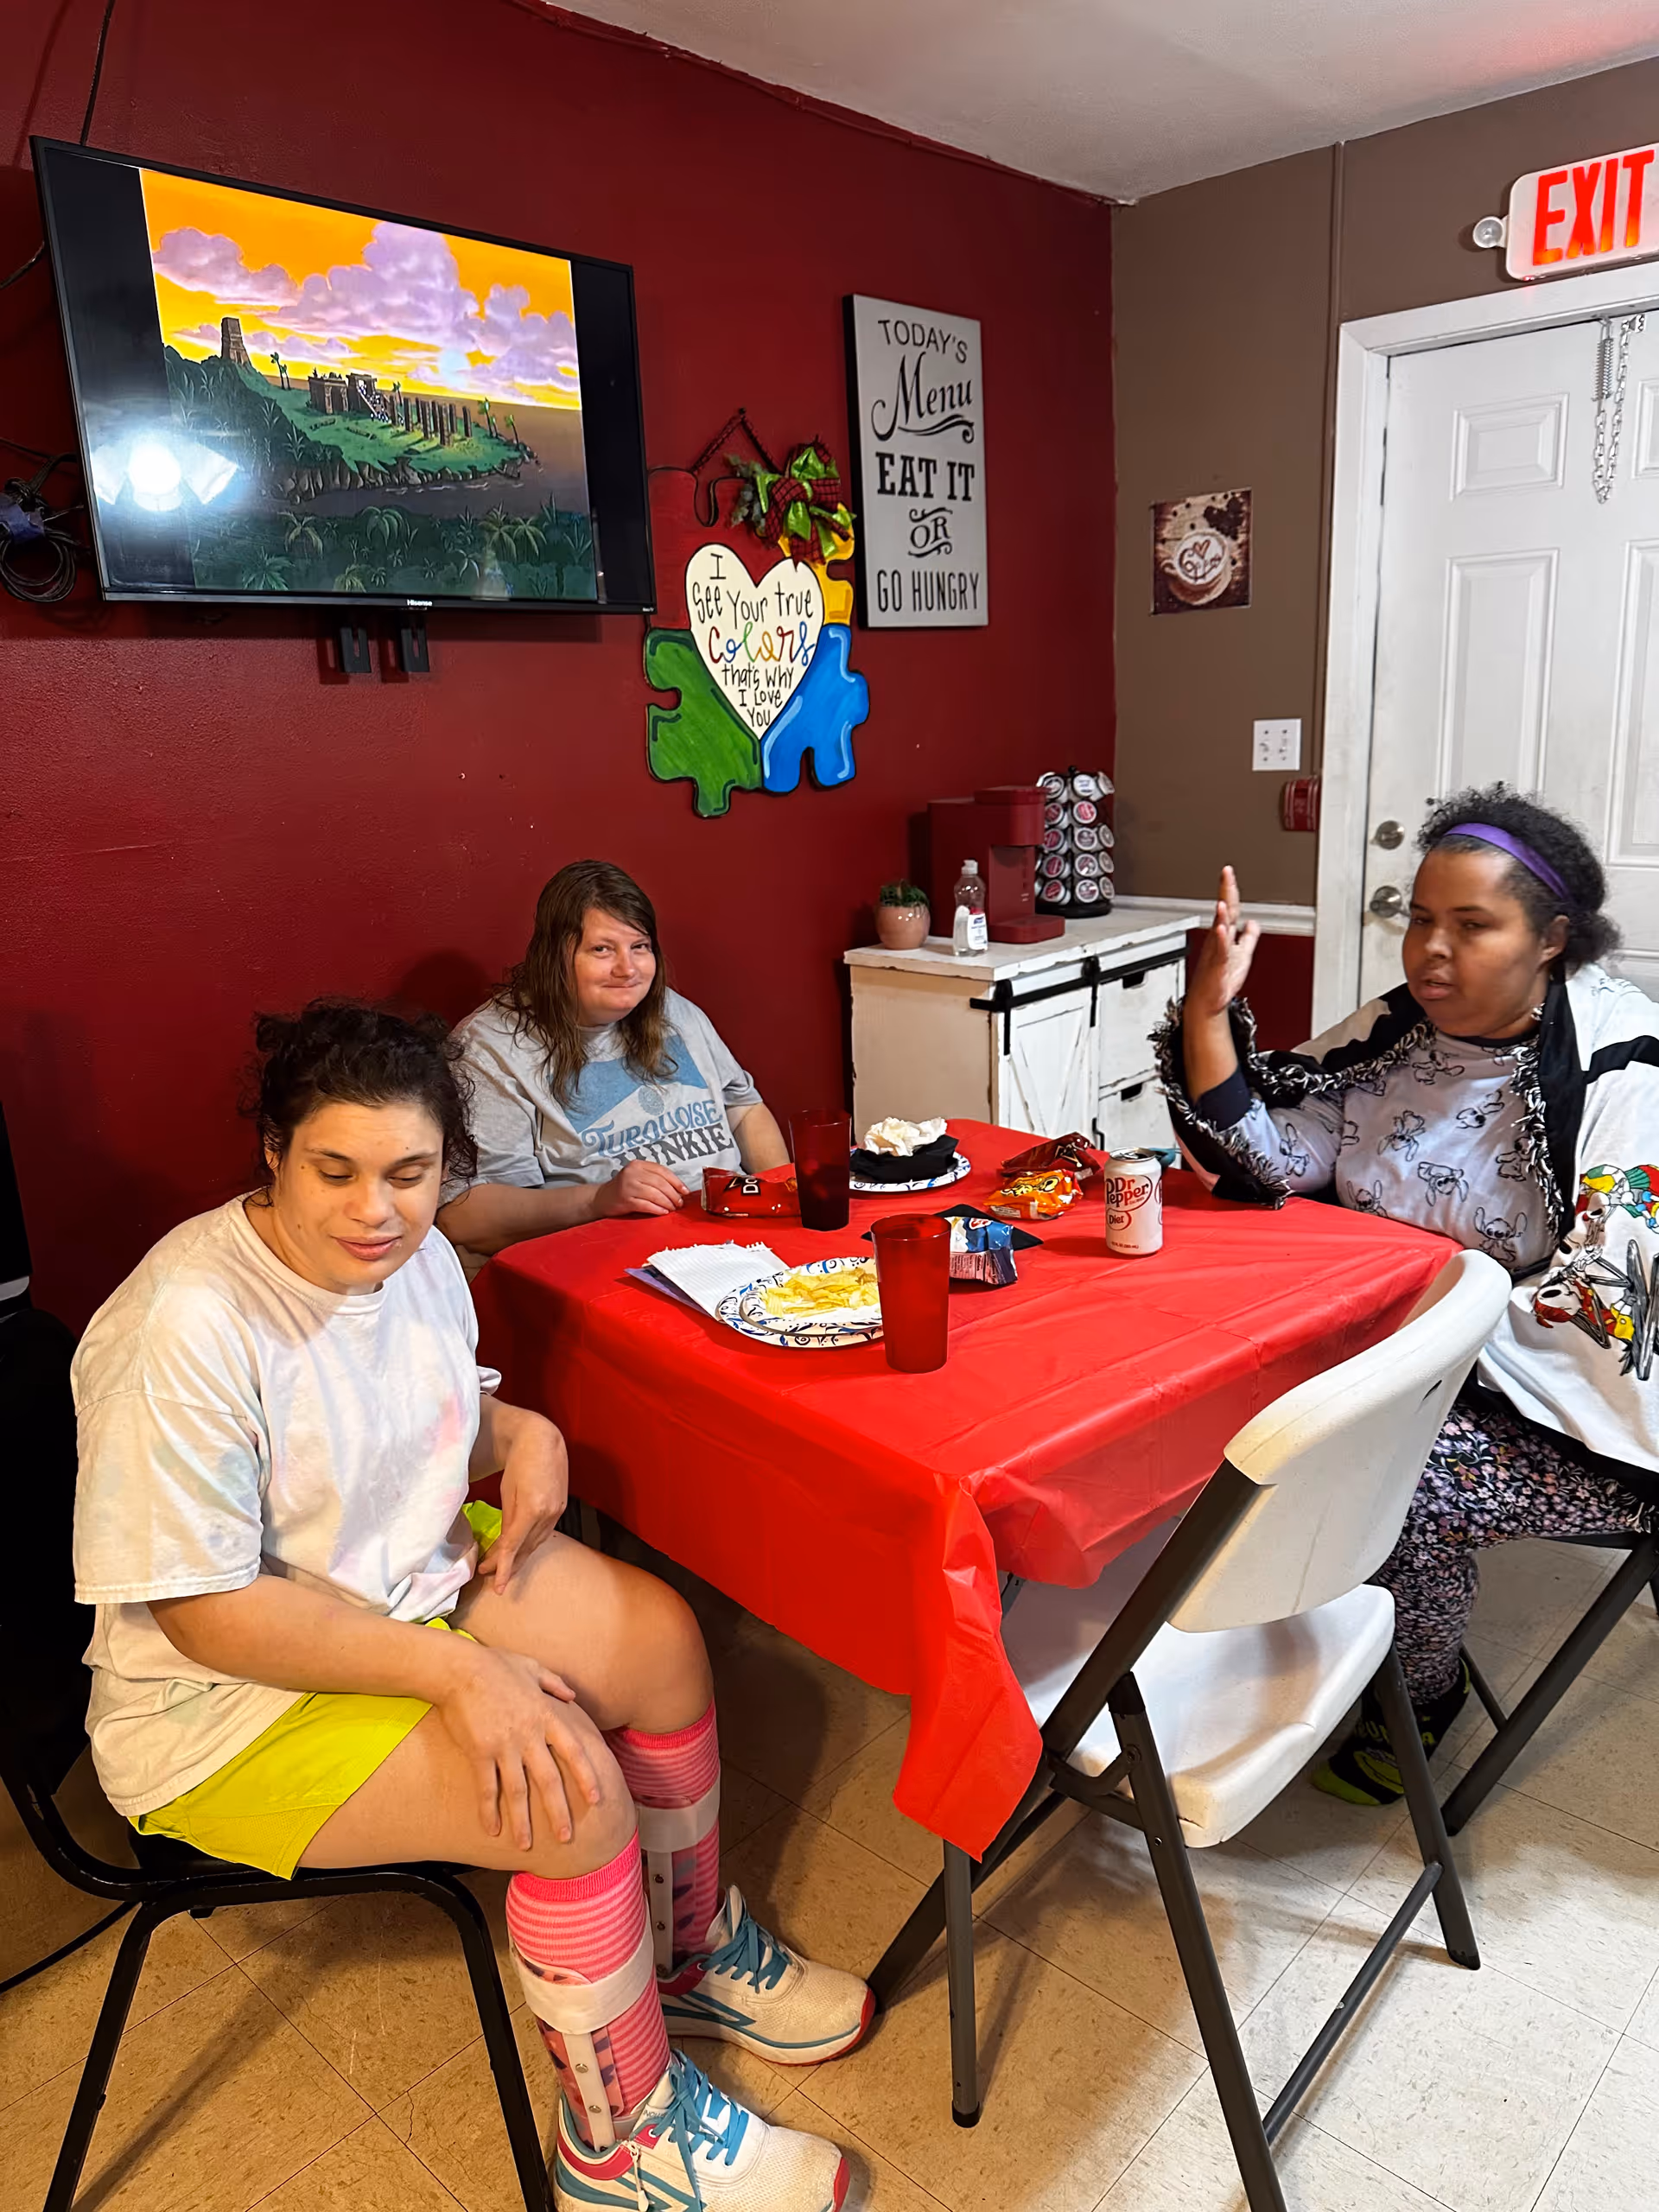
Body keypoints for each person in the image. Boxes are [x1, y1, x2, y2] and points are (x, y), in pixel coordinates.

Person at [72, 1001, 867, 2211]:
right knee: (571, 1790)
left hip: (408, 1580)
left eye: (409, 1173)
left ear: (448, 1165)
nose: (373, 1210)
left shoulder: (422, 1255)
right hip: (229, 1701)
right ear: (273, 1153)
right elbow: (203, 1613)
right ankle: (619, 2139)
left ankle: (683, 1946)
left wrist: (524, 1429)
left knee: (660, 1642)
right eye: (334, 1170)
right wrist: (460, 1675)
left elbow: (426, 1406)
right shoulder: (182, 1322)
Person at [1158, 785, 1658, 1805]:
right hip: (1412, 1359)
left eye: (1471, 925)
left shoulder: (1616, 1067)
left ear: (1553, 939)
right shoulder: (1396, 1030)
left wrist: (1402, 1345)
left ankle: (1417, 1697)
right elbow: (1274, 1158)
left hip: (1579, 1413)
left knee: (1394, 1480)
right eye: (1419, 917)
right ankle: (1259, 1635)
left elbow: (1609, 1310)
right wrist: (1209, 1014)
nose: (1429, 950)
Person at [439, 861, 788, 1260]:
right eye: (602, 949)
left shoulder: (671, 1009)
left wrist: (784, 1202)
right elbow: (465, 1217)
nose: (627, 970)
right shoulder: (490, 1048)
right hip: (612, 1260)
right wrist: (598, 1200)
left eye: (639, 947)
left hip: (736, 1237)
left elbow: (743, 1109)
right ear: (553, 956)